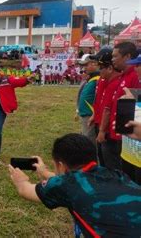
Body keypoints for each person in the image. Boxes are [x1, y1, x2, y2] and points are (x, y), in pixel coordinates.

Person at [8, 133, 141, 237]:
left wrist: (20, 181)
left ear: (61, 165)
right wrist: (44, 172)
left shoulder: (66, 186)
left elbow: (26, 190)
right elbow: (77, 181)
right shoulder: (116, 174)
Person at [105, 42, 140, 172]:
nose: (135, 68)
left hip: (133, 141)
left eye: (138, 65)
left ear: (127, 56)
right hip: (125, 138)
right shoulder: (123, 75)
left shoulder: (133, 76)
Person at [76, 54, 100, 145]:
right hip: (85, 115)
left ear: (95, 64)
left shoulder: (98, 79)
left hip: (90, 116)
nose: (83, 68)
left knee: (90, 142)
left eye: (86, 65)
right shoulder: (91, 79)